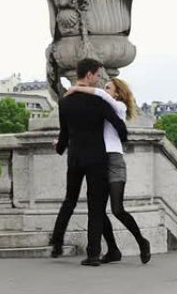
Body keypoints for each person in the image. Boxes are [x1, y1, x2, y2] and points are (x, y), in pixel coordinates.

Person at [50, 58, 128, 267]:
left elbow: (64, 134)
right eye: (97, 75)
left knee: (69, 200)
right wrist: (121, 138)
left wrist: (58, 148)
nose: (98, 79)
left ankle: (57, 242)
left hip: (75, 157)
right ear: (91, 75)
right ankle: (93, 254)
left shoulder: (65, 102)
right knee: (96, 207)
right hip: (97, 158)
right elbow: (119, 126)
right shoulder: (99, 101)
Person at [66, 77, 151, 264]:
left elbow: (100, 94)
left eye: (108, 88)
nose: (104, 90)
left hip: (114, 160)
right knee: (98, 210)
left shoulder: (118, 107)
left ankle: (142, 241)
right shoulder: (100, 110)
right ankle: (113, 249)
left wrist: (76, 89)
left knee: (118, 209)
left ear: (118, 93)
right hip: (99, 159)